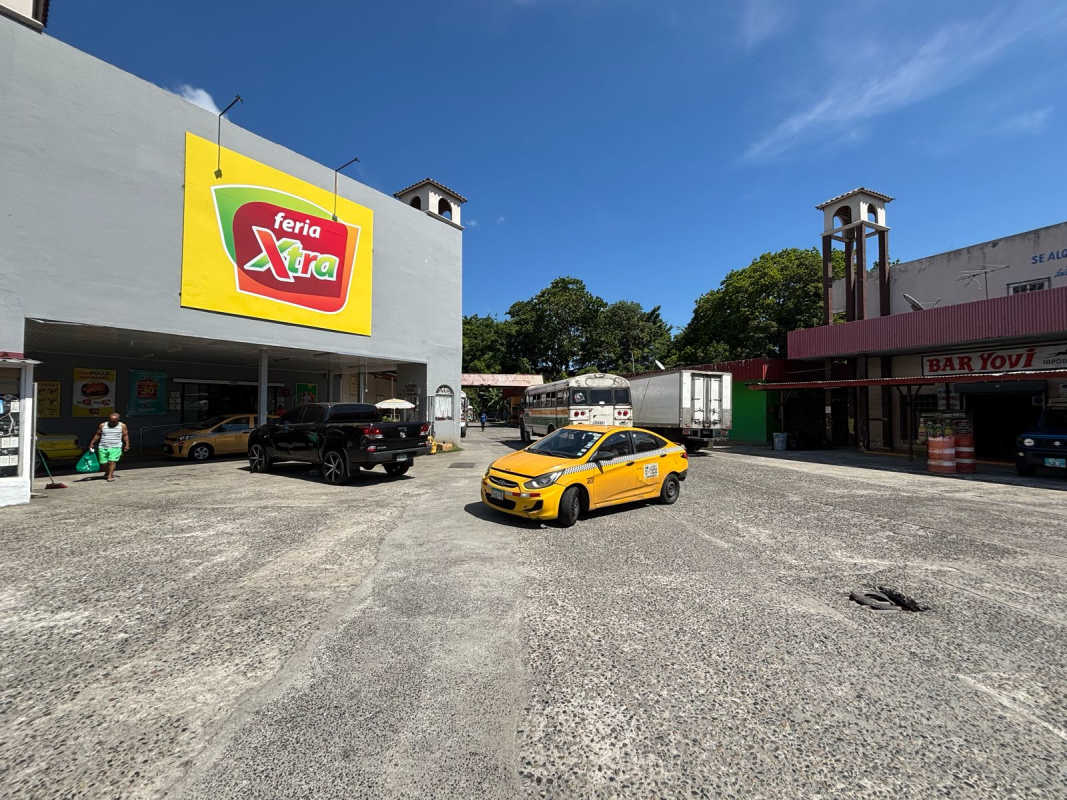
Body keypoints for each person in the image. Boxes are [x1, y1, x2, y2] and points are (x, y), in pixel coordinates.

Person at [89, 411, 130, 483]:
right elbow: (97, 434)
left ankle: (110, 476)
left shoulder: (122, 426)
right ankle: (108, 472)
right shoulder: (102, 425)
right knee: (103, 463)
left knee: (112, 461)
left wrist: (127, 444)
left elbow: (125, 435)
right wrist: (92, 443)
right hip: (103, 446)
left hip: (116, 446)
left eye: (114, 421)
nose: (112, 423)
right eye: (111, 421)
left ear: (118, 420)